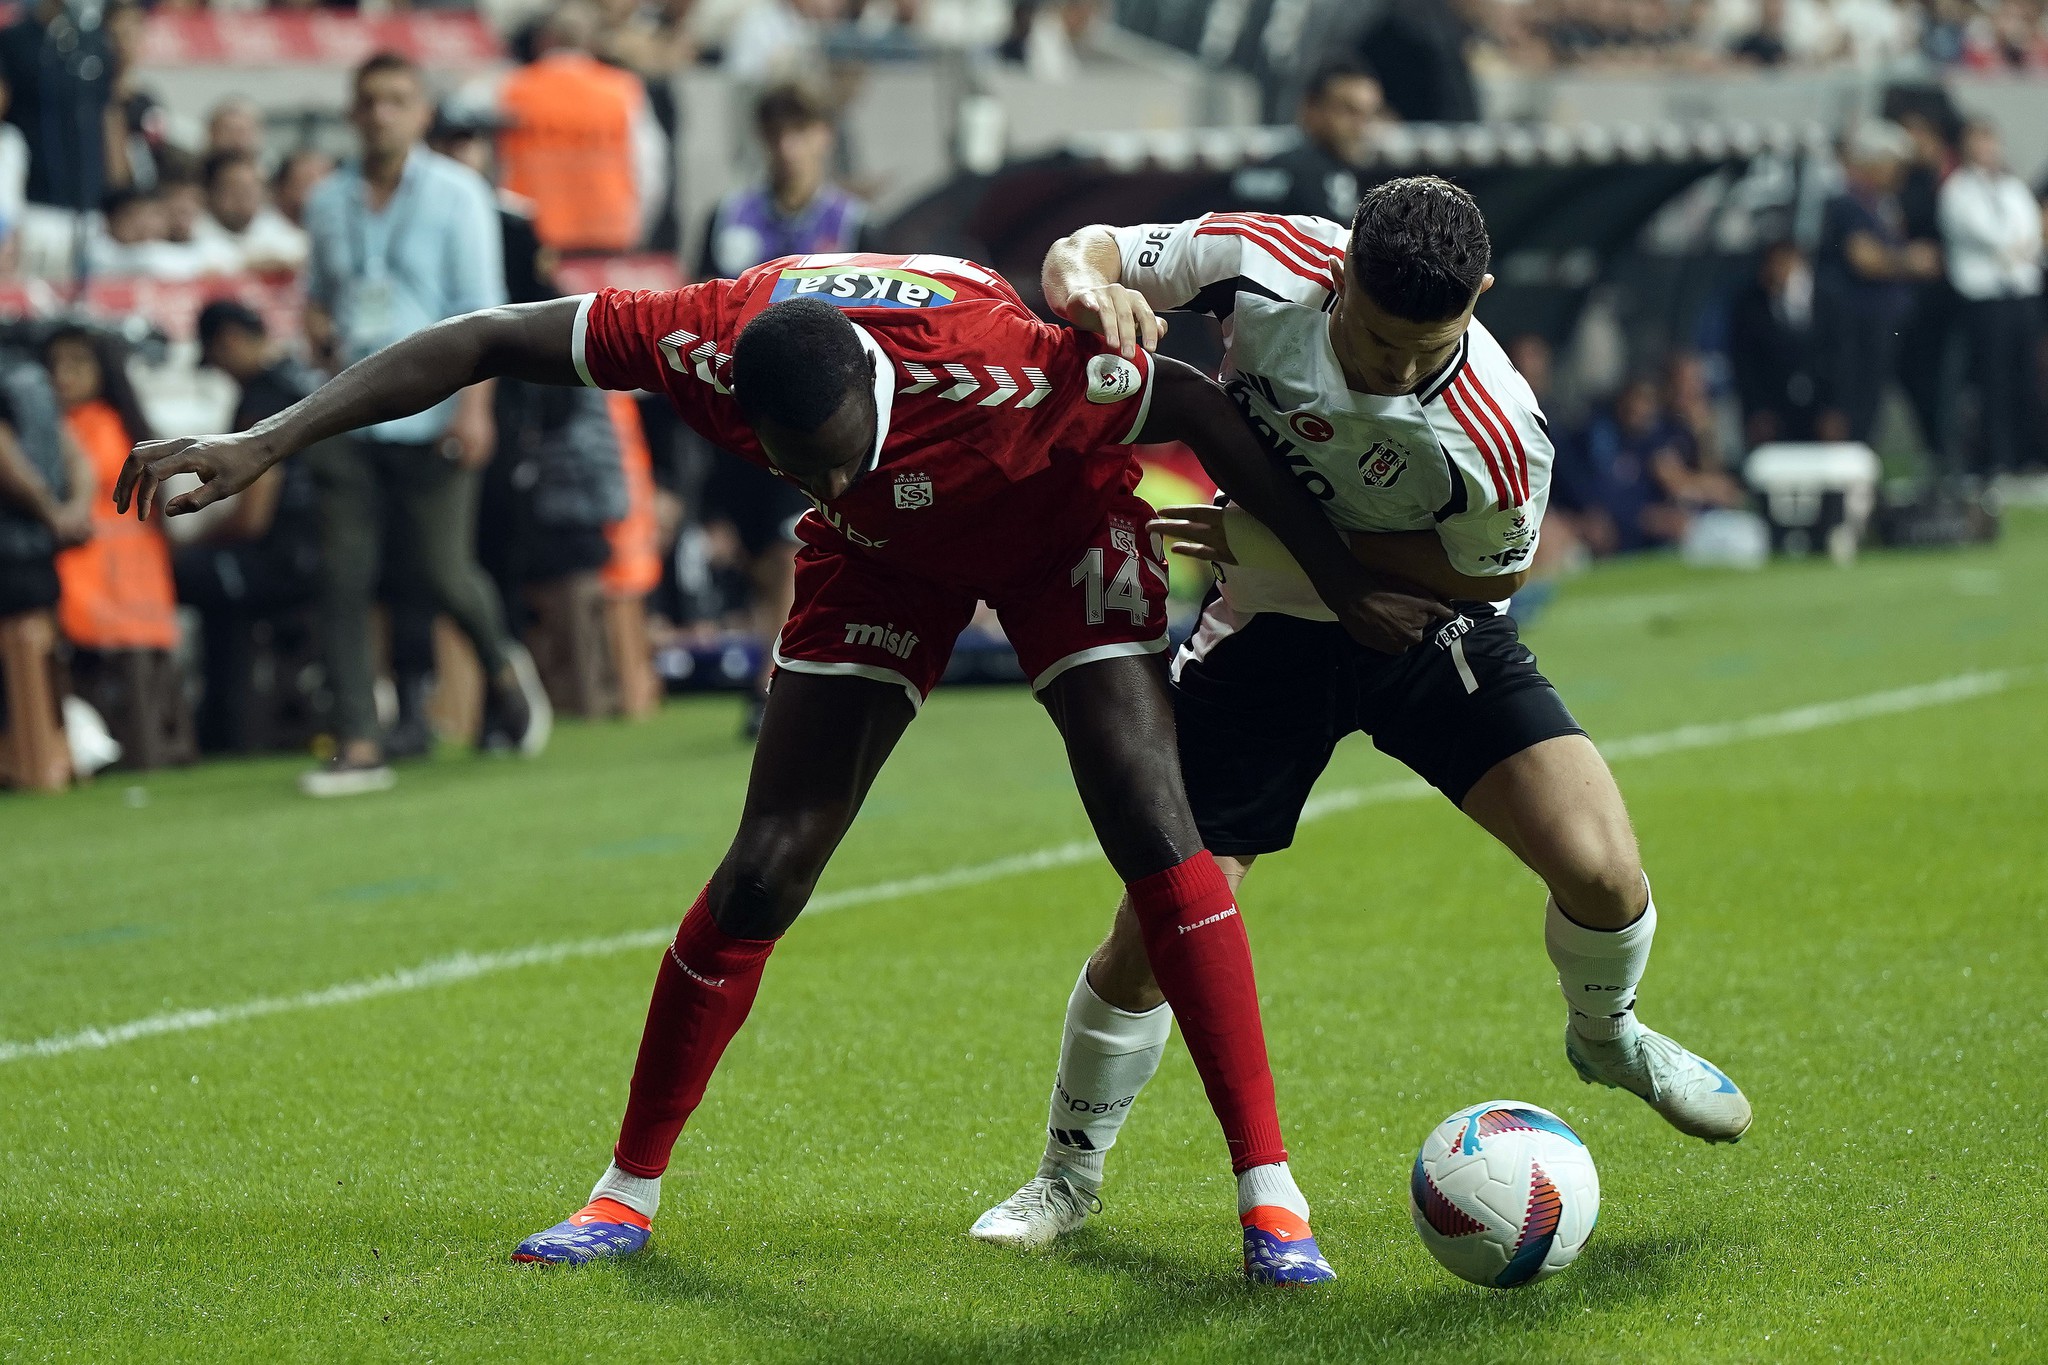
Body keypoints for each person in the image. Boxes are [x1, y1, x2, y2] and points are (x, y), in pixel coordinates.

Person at [115, 250, 1455, 1281]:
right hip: (883, 563)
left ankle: (1268, 1194)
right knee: (767, 865)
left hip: (1053, 528)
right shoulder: (700, 335)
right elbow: (480, 339)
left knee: (1152, 821)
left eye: (831, 457)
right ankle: (623, 1195)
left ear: (876, 389)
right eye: (790, 470)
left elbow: (1202, 411)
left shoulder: (1005, 364)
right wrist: (263, 440)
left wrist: (1340, 582)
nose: (813, 480)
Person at [970, 181, 1753, 1251]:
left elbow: (1497, 569)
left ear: (1476, 296)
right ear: (1337, 278)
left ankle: (1607, 1036)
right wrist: (1083, 292)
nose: (1390, 368)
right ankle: (1067, 1174)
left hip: (1430, 631)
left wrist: (1282, 544)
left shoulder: (1495, 426)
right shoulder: (1261, 258)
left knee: (1603, 875)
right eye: (1374, 339)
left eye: (1420, 345)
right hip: (1263, 643)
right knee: (1159, 925)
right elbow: (1088, 247)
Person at [298, 51, 550, 796]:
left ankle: (503, 667)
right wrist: (316, 323)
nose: (380, 113)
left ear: (420, 113)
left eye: (396, 100)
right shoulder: (325, 201)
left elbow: (484, 310)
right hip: (346, 403)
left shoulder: (457, 193)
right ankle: (358, 740)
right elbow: (319, 294)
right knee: (343, 572)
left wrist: (477, 408)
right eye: (369, 100)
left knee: (442, 569)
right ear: (353, 111)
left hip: (434, 403)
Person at [699, 80, 875, 736]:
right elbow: (700, 310)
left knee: (786, 549)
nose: (788, 146)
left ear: (824, 137)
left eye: (801, 130)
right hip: (741, 412)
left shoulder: (851, 224)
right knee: (759, 558)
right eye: (777, 132)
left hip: (823, 415)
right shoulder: (729, 219)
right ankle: (794, 671)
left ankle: (774, 679)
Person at [175, 302, 324, 754]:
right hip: (323, 548)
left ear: (229, 341)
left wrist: (191, 540)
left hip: (286, 560)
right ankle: (239, 725)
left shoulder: (261, 399)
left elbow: (252, 518)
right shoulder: (301, 380)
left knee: (185, 573)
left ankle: (227, 729)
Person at [45, 326, 179, 659]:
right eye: (55, 364)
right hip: (131, 594)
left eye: (77, 362)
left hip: (97, 592)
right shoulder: (130, 427)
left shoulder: (85, 429)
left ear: (103, 368)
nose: (62, 375)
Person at [495, 1, 669, 253]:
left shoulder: (514, 88)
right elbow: (649, 169)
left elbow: (496, 165)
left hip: (533, 238)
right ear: (593, 42)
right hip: (608, 236)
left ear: (545, 40)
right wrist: (637, 227)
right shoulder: (623, 88)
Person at [1815, 120, 1943, 444]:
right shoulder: (1847, 203)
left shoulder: (1883, 204)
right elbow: (1864, 258)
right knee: (1857, 402)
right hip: (1858, 323)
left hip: (1884, 320)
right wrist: (1909, 261)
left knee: (1876, 405)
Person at [1939, 118, 2045, 478]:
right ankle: (1996, 458)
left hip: (2022, 291)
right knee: (1992, 380)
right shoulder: (1958, 190)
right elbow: (1986, 234)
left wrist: (2016, 247)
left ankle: (2029, 455)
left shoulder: (2013, 187)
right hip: (1984, 297)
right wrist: (2010, 246)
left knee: (2027, 377)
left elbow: (2030, 228)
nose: (1987, 149)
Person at [1231, 59, 1387, 223]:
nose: (1361, 127)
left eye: (1369, 114)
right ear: (1310, 107)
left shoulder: (1260, 169)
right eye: (1348, 111)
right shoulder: (1320, 175)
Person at [1729, 239, 1823, 447]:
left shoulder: (1827, 300)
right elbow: (1744, 362)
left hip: (1819, 409)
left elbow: (1839, 356)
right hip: (1772, 411)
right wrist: (1757, 410)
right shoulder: (1750, 305)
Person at [197, 149, 309, 274]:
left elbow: (300, 254)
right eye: (235, 189)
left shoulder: (273, 225)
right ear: (211, 193)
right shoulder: (194, 230)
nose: (244, 197)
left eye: (251, 189)